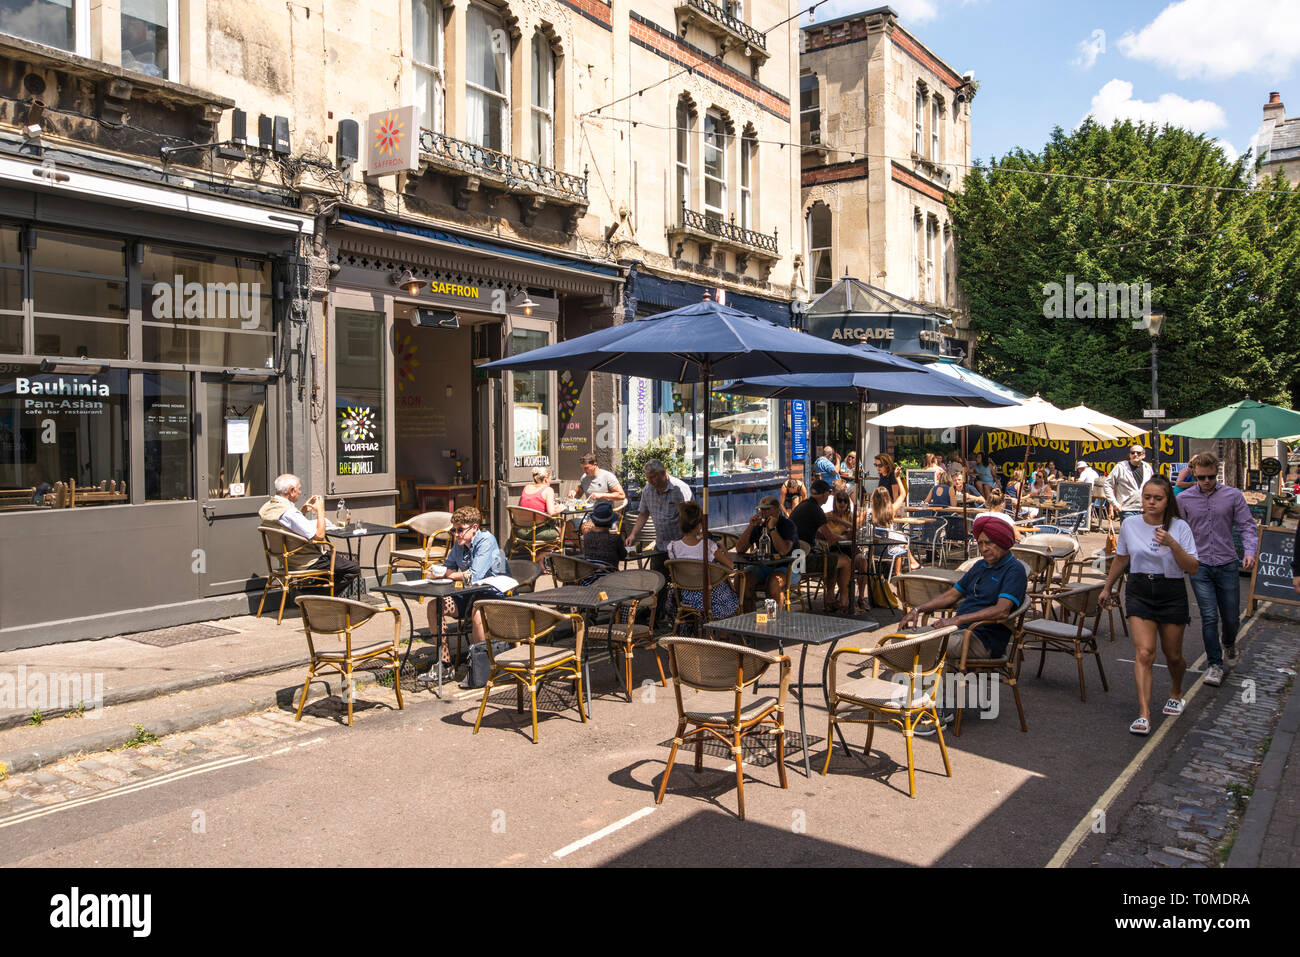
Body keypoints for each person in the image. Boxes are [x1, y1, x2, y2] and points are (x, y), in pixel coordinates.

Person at [899, 514, 1028, 724]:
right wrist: (918, 608)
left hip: (984, 639)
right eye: (981, 543)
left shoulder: (1014, 570)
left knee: (926, 645)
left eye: (990, 543)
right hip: (962, 631)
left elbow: (1002, 610)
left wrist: (955, 621)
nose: (984, 548)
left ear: (1003, 543)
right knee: (904, 639)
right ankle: (923, 701)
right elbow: (952, 594)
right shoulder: (979, 566)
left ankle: (940, 709)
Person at [1099, 476, 1198, 735]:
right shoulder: (1130, 524)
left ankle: (1176, 692)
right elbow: (1121, 558)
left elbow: (1192, 567)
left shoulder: (1180, 528)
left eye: (1158, 498)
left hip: (1171, 591)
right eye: (1147, 497)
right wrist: (1108, 587)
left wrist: (1172, 544)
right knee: (1144, 652)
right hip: (1139, 589)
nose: (1151, 502)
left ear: (1168, 501)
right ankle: (1144, 714)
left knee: (1173, 656)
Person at [1177, 452, 1258, 686]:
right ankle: (1214, 664)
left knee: (1231, 617)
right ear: (1194, 474)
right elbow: (1178, 529)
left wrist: (1250, 551)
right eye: (1202, 477)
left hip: (1227, 563)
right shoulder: (1185, 499)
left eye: (1211, 476)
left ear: (1217, 473)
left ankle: (1229, 644)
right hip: (1199, 565)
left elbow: (1246, 525)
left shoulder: (1232, 496)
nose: (1206, 482)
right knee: (1209, 617)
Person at [423, 506, 517, 689]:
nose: (456, 534)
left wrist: (448, 574)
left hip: (496, 594)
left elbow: (475, 575)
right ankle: (444, 664)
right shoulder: (459, 545)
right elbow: (448, 566)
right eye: (454, 530)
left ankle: (479, 666)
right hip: (470, 593)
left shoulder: (486, 540)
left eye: (460, 530)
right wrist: (437, 572)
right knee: (435, 605)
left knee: (478, 613)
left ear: (474, 527)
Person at [259, 473, 361, 596]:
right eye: (299, 489)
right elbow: (319, 536)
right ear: (291, 491)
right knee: (352, 568)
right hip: (305, 560)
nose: (300, 492)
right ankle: (310, 596)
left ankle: (309, 593)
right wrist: (320, 510)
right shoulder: (290, 512)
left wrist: (301, 512)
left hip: (287, 559)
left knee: (337, 563)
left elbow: (288, 527)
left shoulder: (269, 506)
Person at [666, 501, 740, 625]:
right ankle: (724, 631)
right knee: (730, 584)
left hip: (687, 596)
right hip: (711, 598)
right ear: (700, 525)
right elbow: (731, 566)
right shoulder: (708, 545)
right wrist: (723, 547)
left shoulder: (672, 547)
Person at [791, 479, 852, 613]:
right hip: (804, 560)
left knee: (834, 559)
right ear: (824, 495)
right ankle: (844, 602)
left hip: (793, 558)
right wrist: (846, 537)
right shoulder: (816, 510)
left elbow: (819, 534)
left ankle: (830, 599)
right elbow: (831, 539)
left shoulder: (803, 505)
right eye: (829, 494)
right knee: (846, 561)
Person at [734, 495, 799, 608]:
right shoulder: (759, 526)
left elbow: (783, 551)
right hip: (765, 566)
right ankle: (748, 617)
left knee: (774, 582)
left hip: (788, 567)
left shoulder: (788, 525)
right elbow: (740, 549)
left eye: (767, 509)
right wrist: (751, 526)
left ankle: (775, 618)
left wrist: (772, 528)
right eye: (762, 509)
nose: (763, 512)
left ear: (777, 510)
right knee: (740, 579)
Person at [624, 459, 693, 553]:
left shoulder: (680, 489)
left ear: (663, 473)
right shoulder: (647, 490)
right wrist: (633, 535)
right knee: (655, 567)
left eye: (653, 477)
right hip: (661, 545)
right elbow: (643, 514)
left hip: (681, 546)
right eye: (648, 478)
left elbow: (691, 518)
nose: (650, 481)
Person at [869, 485, 913, 578]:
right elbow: (903, 494)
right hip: (888, 550)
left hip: (873, 550)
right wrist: (898, 478)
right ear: (887, 499)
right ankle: (897, 573)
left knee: (900, 542)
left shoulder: (869, 512)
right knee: (902, 545)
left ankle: (912, 562)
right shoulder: (891, 510)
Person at [1105, 444, 1154, 521]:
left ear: (1143, 455)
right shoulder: (1121, 467)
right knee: (1130, 532)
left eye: (1138, 453)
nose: (1135, 454)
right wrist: (1114, 503)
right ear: (1130, 455)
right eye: (1132, 452)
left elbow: (1152, 487)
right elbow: (1108, 484)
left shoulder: (1147, 468)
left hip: (1144, 509)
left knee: (1142, 533)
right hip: (1127, 510)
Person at [581, 501, 627, 573]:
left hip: (588, 576)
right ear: (611, 523)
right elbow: (623, 555)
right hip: (609, 578)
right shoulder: (615, 538)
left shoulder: (587, 536)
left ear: (594, 521)